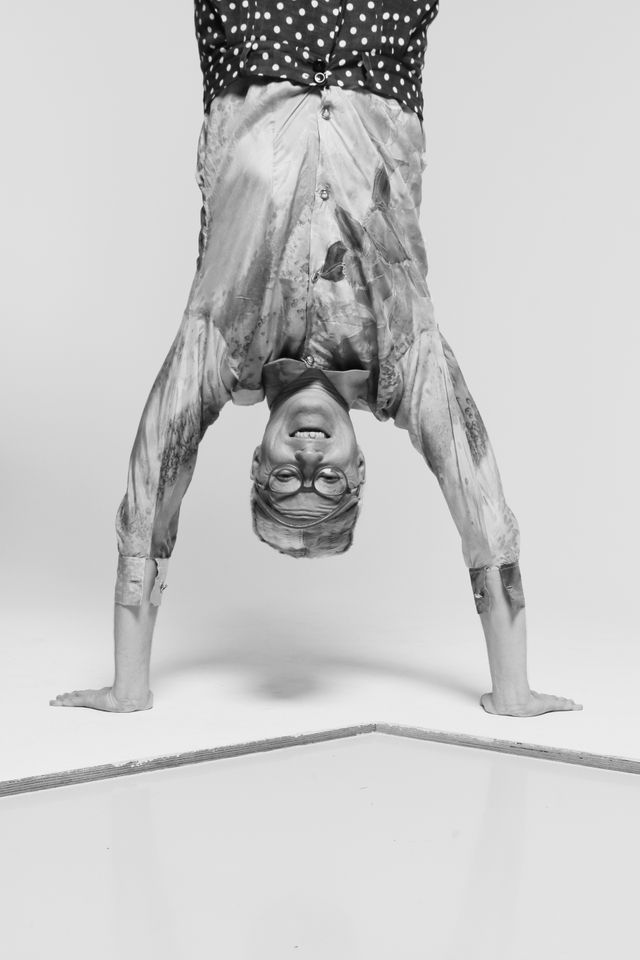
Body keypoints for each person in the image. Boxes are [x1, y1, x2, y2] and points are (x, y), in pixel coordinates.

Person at [51, 1, 581, 717]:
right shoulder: (406, 361)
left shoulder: (218, 351)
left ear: (257, 462)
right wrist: (512, 691)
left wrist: (129, 687)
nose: (307, 459)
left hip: (256, 33)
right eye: (327, 481)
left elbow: (150, 493)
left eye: (284, 479)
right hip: (377, 42)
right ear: (358, 466)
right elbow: (482, 509)